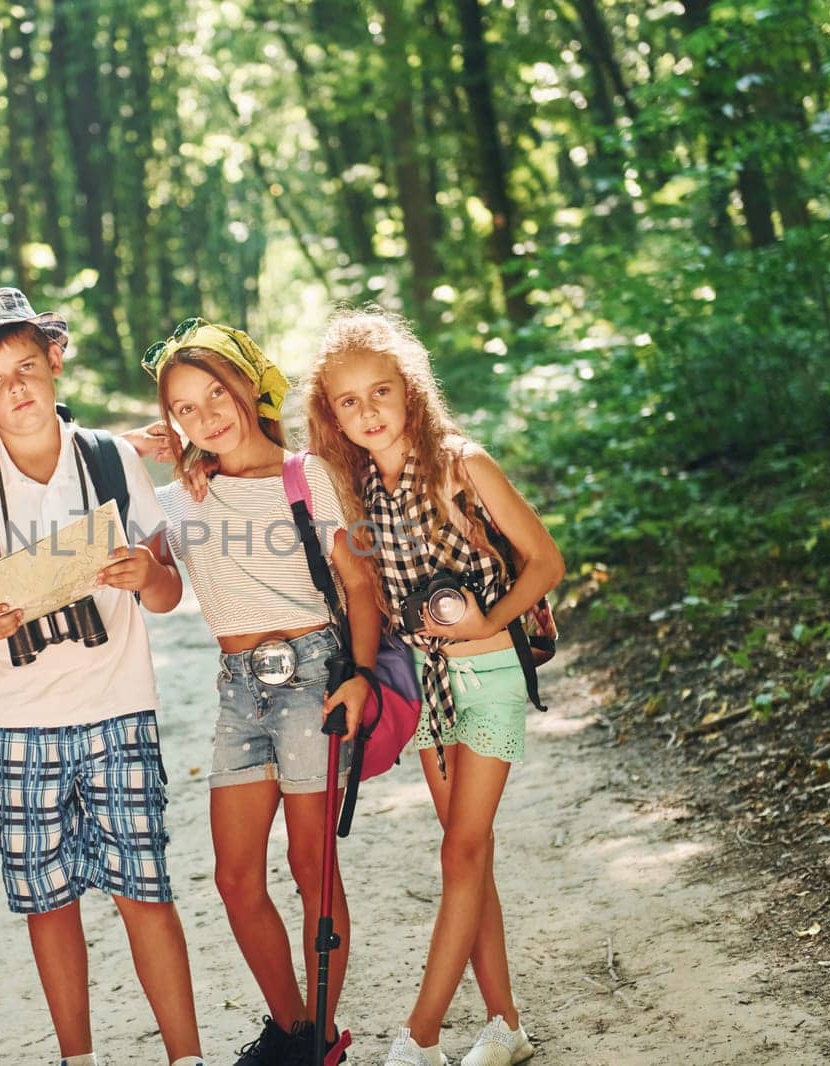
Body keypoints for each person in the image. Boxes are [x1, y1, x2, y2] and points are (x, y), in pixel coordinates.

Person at [0, 288, 205, 1066]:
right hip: (17, 721)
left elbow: (168, 593)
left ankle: (185, 1057)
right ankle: (76, 1056)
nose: (15, 389)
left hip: (118, 706)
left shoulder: (110, 460)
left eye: (27, 366)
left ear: (55, 360)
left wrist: (140, 572)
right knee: (47, 902)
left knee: (144, 890)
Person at [303, 309, 563, 1066]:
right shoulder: (359, 492)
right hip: (428, 681)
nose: (367, 413)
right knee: (466, 855)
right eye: (347, 402)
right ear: (332, 414)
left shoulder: (460, 464)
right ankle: (505, 1025)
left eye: (380, 392)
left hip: (487, 673)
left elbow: (546, 561)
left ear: (409, 391)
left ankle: (418, 1038)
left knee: (463, 848)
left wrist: (490, 620)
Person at [143, 318, 380, 1066]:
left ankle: (321, 1037)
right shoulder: (181, 497)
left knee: (313, 869)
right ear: (171, 420)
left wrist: (362, 677)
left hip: (313, 677)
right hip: (238, 691)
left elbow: (359, 583)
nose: (206, 414)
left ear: (247, 388)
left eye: (215, 393)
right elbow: (157, 586)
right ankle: (293, 1029)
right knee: (236, 876)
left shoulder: (305, 475)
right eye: (185, 407)